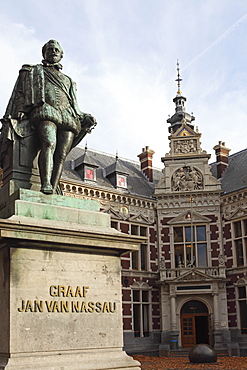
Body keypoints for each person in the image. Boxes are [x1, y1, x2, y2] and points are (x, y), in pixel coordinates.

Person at [0, 40, 96, 194]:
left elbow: (75, 106)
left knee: (61, 155)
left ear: (61, 55)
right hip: (46, 111)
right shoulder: (33, 71)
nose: (53, 52)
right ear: (44, 53)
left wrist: (86, 117)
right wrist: (20, 110)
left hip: (68, 117)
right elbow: (20, 93)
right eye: (49, 49)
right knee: (49, 143)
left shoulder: (69, 81)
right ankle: (45, 184)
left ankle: (54, 185)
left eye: (56, 50)